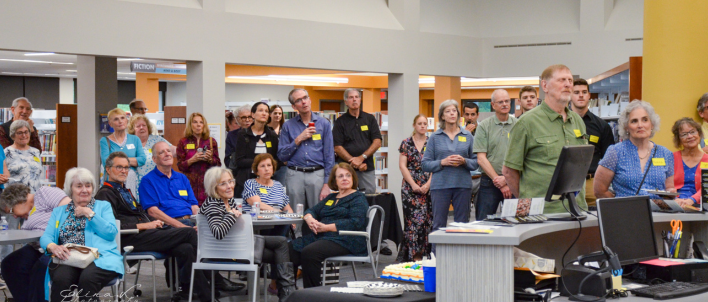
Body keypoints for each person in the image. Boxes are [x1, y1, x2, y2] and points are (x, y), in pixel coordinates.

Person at [95, 151, 232, 300]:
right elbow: (112, 226)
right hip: (129, 239)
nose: (124, 171)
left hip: (147, 233)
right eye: (119, 167)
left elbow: (139, 214)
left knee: (185, 248)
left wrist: (154, 224)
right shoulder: (105, 194)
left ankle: (189, 289)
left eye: (126, 167)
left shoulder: (124, 190)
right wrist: (145, 225)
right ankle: (213, 282)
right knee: (189, 233)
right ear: (107, 169)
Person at [199, 167, 295, 302]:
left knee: (281, 241)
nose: (229, 186)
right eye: (223, 183)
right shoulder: (212, 204)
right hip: (224, 250)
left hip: (236, 244)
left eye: (230, 181)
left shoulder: (228, 201)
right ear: (213, 187)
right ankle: (287, 294)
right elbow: (218, 232)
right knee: (280, 252)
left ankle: (286, 293)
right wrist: (232, 216)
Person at [503, 64, 588, 214]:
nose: (568, 84)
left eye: (570, 80)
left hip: (577, 210)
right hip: (542, 213)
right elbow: (509, 171)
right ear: (545, 85)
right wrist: (527, 201)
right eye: (562, 80)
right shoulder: (527, 123)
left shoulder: (577, 121)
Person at [39, 167, 123, 302]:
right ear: (70, 189)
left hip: (100, 258)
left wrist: (89, 213)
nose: (84, 190)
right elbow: (46, 236)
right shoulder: (59, 211)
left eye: (88, 186)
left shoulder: (103, 206)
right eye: (79, 186)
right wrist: (52, 246)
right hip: (68, 258)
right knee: (61, 279)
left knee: (87, 279)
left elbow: (110, 233)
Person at [289, 163, 368, 288]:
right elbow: (312, 210)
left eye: (348, 175)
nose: (345, 179)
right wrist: (309, 219)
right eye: (340, 176)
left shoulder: (358, 198)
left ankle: (313, 294)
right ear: (335, 181)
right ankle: (289, 291)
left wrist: (326, 227)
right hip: (325, 236)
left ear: (353, 178)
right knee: (291, 248)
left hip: (347, 238)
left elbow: (355, 222)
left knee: (310, 252)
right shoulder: (331, 197)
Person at [0, 183, 70, 302]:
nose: (15, 216)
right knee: (10, 264)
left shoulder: (44, 194)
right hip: (37, 247)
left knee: (40, 268)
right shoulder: (26, 217)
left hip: (59, 244)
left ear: (19, 201)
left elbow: (70, 210)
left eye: (12, 211)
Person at [594, 101, 674, 199]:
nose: (640, 125)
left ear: (652, 124)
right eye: (634, 121)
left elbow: (669, 188)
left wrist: (671, 192)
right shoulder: (615, 152)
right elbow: (600, 190)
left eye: (645, 120)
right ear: (626, 127)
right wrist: (619, 206)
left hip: (657, 212)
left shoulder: (665, 154)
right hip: (626, 212)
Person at [422, 99, 478, 237]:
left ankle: (460, 258)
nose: (452, 114)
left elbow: (476, 162)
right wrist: (442, 162)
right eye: (448, 111)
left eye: (454, 111)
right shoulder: (435, 137)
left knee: (462, 225)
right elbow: (425, 164)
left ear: (458, 115)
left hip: (462, 185)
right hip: (440, 186)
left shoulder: (468, 136)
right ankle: (436, 257)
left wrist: (464, 161)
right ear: (442, 116)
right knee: (439, 225)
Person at [278, 88, 335, 211]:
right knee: (294, 217)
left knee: (318, 214)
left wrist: (327, 183)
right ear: (294, 106)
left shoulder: (323, 124)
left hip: (317, 175)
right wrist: (298, 139)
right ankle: (296, 232)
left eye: (305, 98)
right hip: (295, 175)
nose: (303, 102)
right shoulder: (288, 126)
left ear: (310, 100)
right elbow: (282, 156)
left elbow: (329, 155)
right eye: (299, 100)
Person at [570, 79, 615, 209]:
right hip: (568, 182)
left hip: (592, 183)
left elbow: (609, 159)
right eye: (576, 92)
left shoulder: (601, 126)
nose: (581, 95)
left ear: (589, 95)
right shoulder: (561, 122)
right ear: (570, 95)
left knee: (594, 224)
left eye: (584, 92)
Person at [473, 89, 517, 220]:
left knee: (516, 223)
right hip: (489, 183)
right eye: (500, 102)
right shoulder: (484, 126)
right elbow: (481, 159)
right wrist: (499, 181)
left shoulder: (519, 125)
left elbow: (523, 156)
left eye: (507, 101)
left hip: (513, 181)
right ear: (493, 105)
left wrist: (507, 180)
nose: (504, 104)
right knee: (483, 222)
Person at [396, 115, 432, 262]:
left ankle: (425, 254)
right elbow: (402, 166)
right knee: (411, 223)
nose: (422, 126)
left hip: (428, 186)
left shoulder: (432, 142)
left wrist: (428, 185)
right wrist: (414, 185)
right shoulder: (406, 143)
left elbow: (436, 166)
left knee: (426, 221)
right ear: (414, 125)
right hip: (409, 188)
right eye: (420, 123)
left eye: (425, 124)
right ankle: (411, 255)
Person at [332, 88, 382, 194]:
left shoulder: (370, 119)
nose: (354, 100)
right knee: (346, 196)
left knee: (369, 196)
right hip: (346, 169)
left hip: (366, 168)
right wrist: (355, 162)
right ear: (346, 102)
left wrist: (361, 158)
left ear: (360, 100)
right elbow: (337, 147)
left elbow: (377, 142)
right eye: (351, 97)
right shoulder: (340, 122)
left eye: (356, 97)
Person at [140, 142, 199, 228]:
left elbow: (194, 206)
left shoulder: (182, 178)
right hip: (168, 226)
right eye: (162, 152)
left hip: (191, 223)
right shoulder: (147, 181)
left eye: (168, 151)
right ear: (154, 159)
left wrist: (200, 225)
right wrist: (181, 226)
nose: (167, 154)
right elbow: (153, 211)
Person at [231, 102, 281, 197]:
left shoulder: (272, 135)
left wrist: (266, 167)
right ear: (253, 114)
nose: (264, 113)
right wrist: (261, 163)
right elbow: (239, 161)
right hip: (245, 180)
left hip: (266, 182)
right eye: (261, 110)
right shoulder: (243, 134)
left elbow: (275, 160)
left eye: (266, 111)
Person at [176, 112, 221, 206]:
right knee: (190, 210)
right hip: (189, 183)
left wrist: (209, 159)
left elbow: (218, 165)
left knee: (209, 210)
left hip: (207, 184)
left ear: (204, 125)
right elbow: (180, 166)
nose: (198, 125)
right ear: (190, 125)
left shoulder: (211, 141)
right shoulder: (183, 142)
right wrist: (193, 159)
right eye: (195, 122)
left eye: (201, 122)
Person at [127, 114, 174, 201]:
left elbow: (173, 150)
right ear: (133, 129)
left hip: (155, 181)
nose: (142, 128)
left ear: (148, 127)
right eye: (138, 126)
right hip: (134, 184)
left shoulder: (157, 139)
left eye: (144, 125)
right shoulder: (128, 142)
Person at [99, 108, 146, 195]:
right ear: (110, 123)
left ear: (126, 120)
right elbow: (106, 162)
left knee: (130, 206)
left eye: (122, 118)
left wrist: (118, 162)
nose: (120, 121)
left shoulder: (135, 139)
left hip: (131, 180)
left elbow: (142, 159)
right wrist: (131, 161)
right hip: (112, 181)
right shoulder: (104, 140)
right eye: (116, 119)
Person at [671, 118, 708, 207]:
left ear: (699, 133)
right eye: (684, 134)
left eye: (693, 132)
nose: (690, 136)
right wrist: (675, 199)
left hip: (700, 206)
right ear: (678, 139)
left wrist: (692, 200)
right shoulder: (671, 158)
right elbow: (665, 184)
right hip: (675, 204)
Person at [4, 120, 43, 193]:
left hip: (34, 198)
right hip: (14, 199)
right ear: (13, 135)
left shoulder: (36, 152)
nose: (24, 135)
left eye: (26, 132)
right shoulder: (6, 153)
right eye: (20, 133)